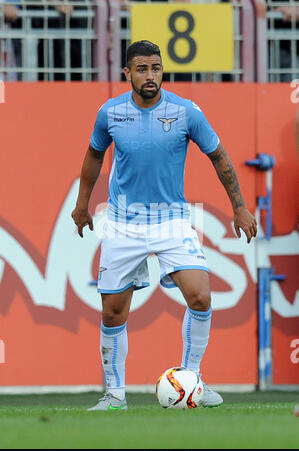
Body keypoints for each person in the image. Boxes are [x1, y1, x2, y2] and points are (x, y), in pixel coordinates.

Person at [71, 40, 257, 411]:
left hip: (171, 221)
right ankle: (115, 396)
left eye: (156, 68)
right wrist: (82, 205)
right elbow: (94, 154)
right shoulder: (110, 113)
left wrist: (239, 207)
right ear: (127, 73)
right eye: (142, 69)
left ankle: (192, 380)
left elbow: (219, 157)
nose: (150, 76)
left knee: (201, 296)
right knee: (112, 312)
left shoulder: (186, 112)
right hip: (123, 225)